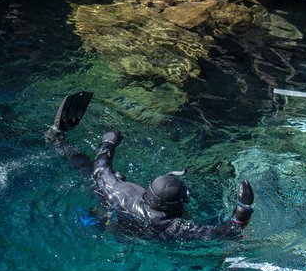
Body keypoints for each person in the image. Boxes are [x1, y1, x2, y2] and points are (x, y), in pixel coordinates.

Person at [47, 91, 254, 240]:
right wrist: (243, 208)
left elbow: (101, 168)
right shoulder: (173, 227)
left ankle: (56, 138)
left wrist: (108, 142)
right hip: (134, 235)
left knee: (91, 172)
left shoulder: (122, 191)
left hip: (115, 208)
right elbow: (229, 231)